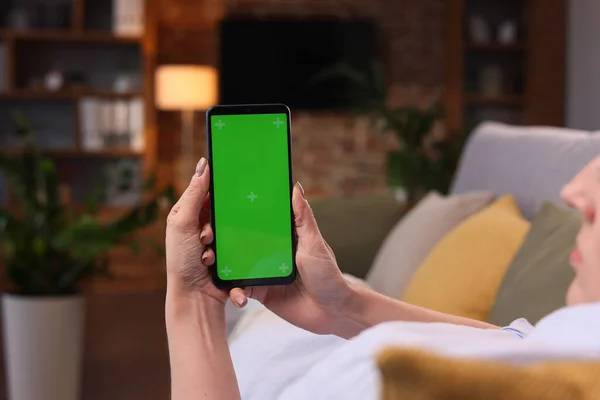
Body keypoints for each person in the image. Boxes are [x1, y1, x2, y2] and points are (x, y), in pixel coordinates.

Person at [165, 156, 600, 400]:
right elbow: (513, 341)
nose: (574, 189)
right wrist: (345, 305)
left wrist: (195, 303)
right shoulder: (575, 342)